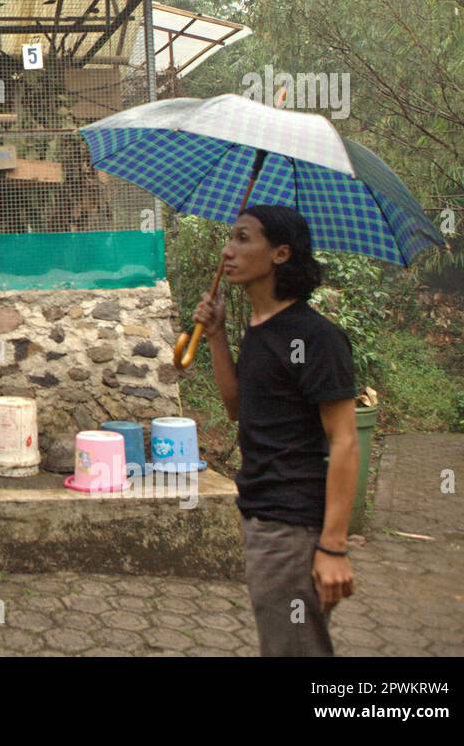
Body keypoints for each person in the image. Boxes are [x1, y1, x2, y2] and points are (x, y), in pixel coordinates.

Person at [193, 204, 358, 656]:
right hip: (263, 518)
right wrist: (217, 336)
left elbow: (345, 440)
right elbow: (236, 407)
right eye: (231, 237)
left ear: (281, 254)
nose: (228, 250)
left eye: (243, 238)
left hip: (293, 528)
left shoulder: (314, 338)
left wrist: (333, 548)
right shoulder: (261, 330)